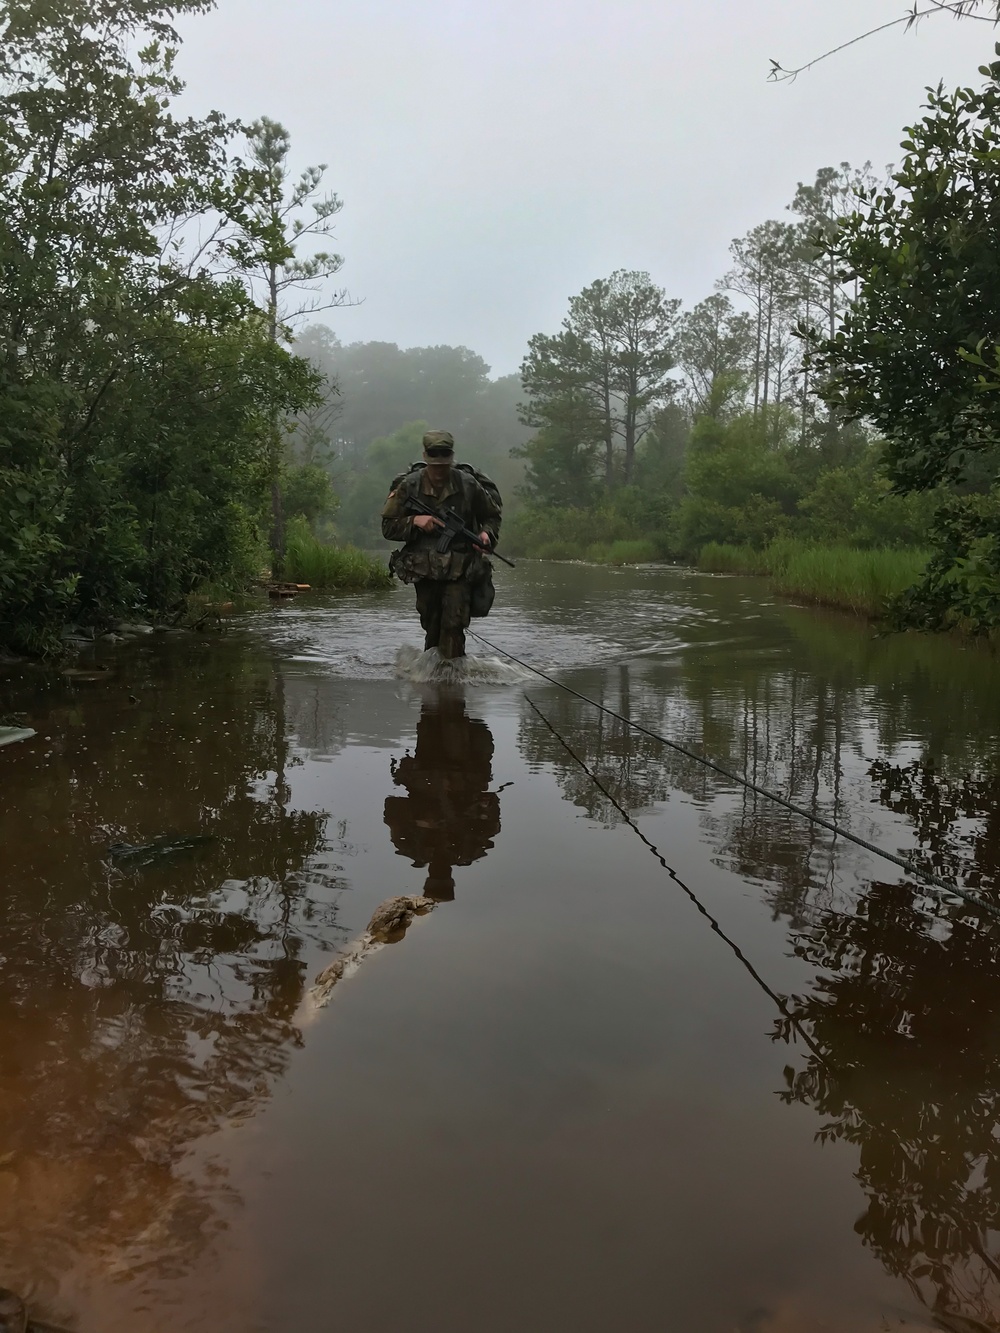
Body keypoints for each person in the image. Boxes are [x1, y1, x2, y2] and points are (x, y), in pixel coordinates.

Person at [381, 430, 502, 660]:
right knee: (431, 624)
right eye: (434, 465)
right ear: (425, 457)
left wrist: (486, 534)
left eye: (443, 465)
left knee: (454, 625)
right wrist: (415, 521)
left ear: (451, 459)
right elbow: (388, 527)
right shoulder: (410, 486)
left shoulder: (468, 485)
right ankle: (433, 684)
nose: (438, 471)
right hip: (424, 571)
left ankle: (452, 685)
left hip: (461, 569)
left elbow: (492, 516)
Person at [384, 694, 501, 901]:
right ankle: (443, 684)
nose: (440, 873)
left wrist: (418, 820)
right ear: (451, 880)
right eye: (442, 879)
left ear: (428, 880)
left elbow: (390, 810)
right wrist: (483, 807)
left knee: (437, 719)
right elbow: (493, 819)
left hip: (431, 771)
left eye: (436, 879)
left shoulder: (411, 847)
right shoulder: (470, 850)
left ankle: (445, 684)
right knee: (436, 719)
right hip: (459, 773)